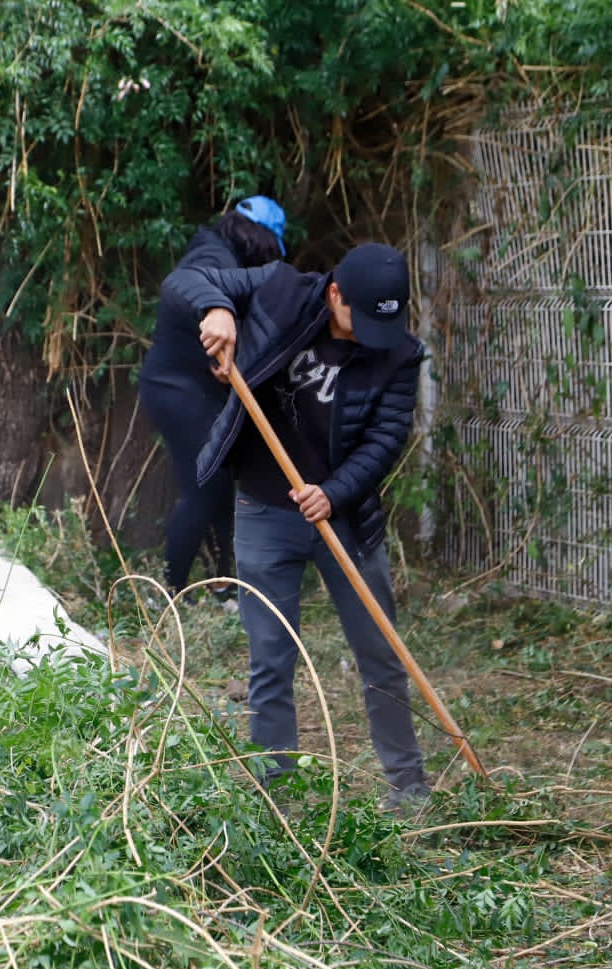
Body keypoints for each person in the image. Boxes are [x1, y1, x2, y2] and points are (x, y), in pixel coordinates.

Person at [162, 242, 432, 813]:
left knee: (381, 655)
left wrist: (331, 493)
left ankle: (408, 791)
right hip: (264, 511)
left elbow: (384, 441)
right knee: (271, 662)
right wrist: (218, 310)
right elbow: (186, 281)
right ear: (335, 294)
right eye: (362, 321)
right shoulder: (281, 288)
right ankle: (275, 805)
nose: (373, 338)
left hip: (347, 521)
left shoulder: (400, 354)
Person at [140, 196, 287, 601]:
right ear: (261, 239)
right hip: (177, 391)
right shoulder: (212, 253)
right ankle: (167, 593)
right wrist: (217, 306)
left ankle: (222, 585)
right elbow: (189, 283)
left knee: (221, 484)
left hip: (188, 389)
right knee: (205, 487)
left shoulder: (220, 250)